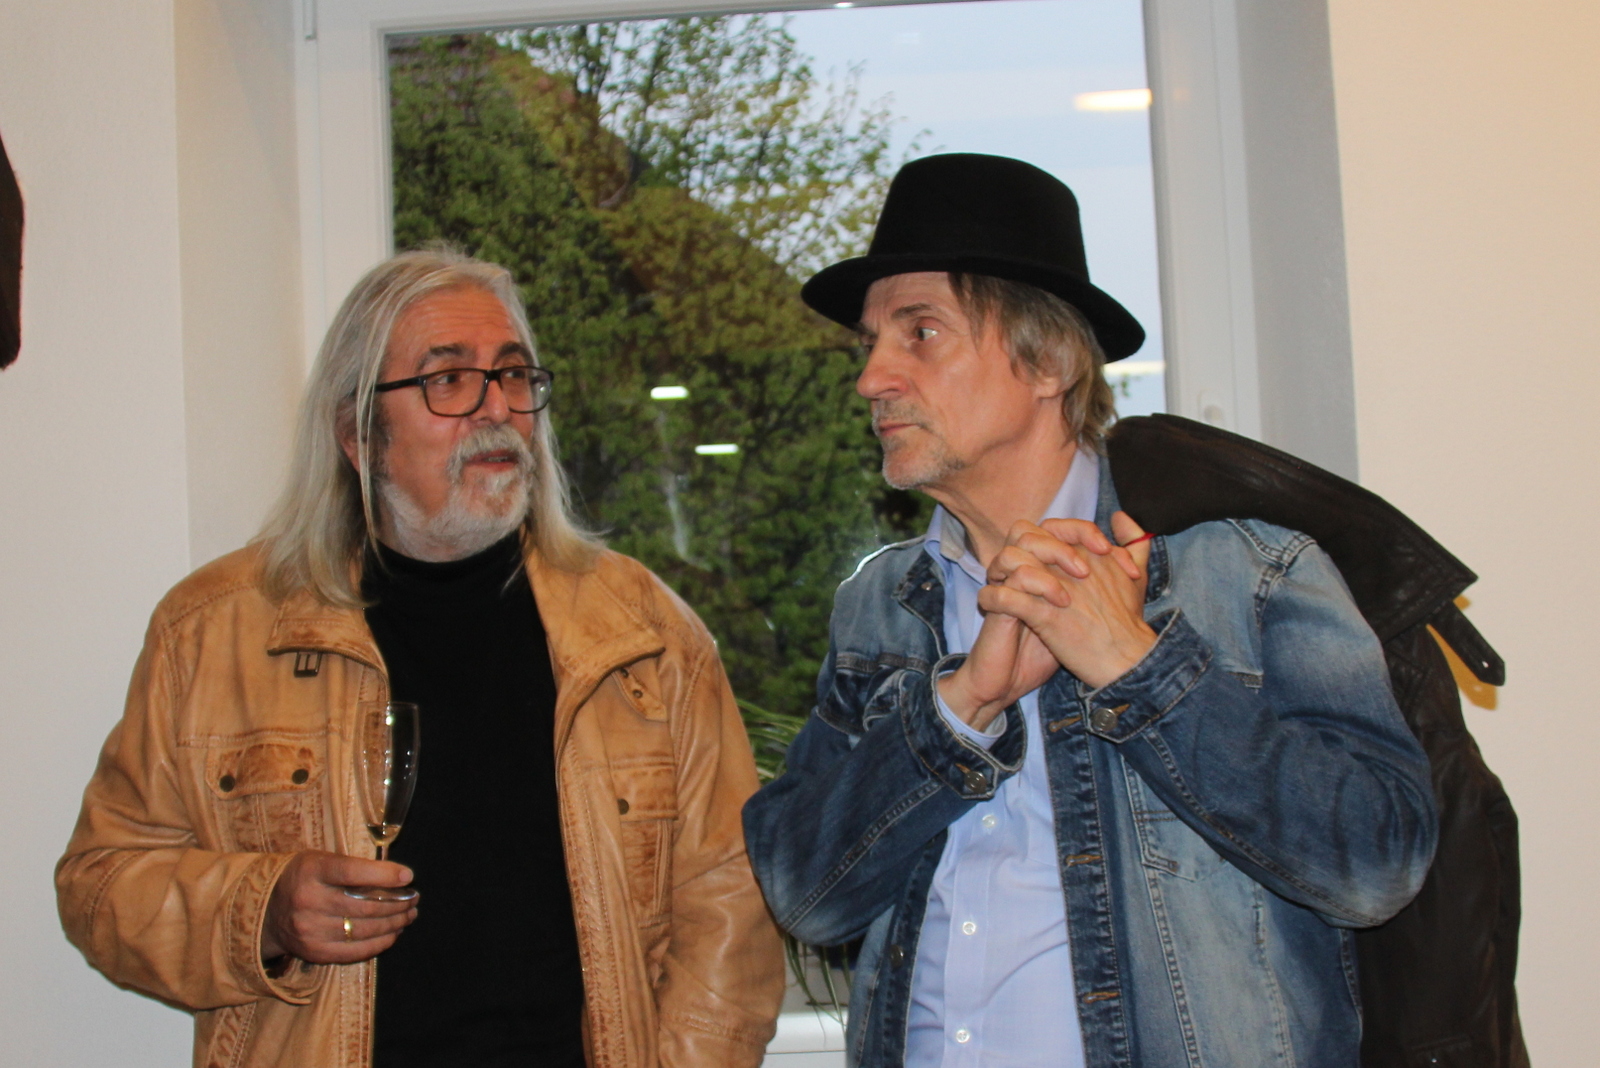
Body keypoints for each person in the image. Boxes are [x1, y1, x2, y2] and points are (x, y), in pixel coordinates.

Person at [743, 153, 1439, 1068]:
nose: (873, 377)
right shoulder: (880, 607)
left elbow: (1377, 863)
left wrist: (1140, 668)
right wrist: (962, 709)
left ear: (1050, 361)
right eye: (870, 343)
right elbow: (804, 893)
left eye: (921, 332)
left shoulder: (1248, 574)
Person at [57, 249, 784, 1068]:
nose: (497, 408)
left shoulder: (645, 635)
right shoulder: (212, 634)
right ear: (358, 435)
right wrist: (262, 910)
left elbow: (730, 902)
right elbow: (101, 884)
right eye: (449, 379)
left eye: (513, 375)